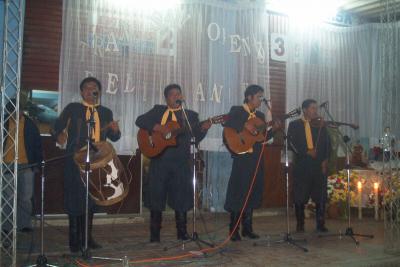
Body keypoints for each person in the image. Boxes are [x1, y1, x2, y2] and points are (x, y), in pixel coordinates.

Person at [135, 83, 212, 242]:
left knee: (181, 197)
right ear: (166, 98)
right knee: (156, 197)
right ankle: (155, 235)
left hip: (181, 163)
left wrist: (203, 129)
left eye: (179, 93)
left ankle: (182, 232)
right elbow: (140, 120)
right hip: (160, 160)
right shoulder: (158, 111)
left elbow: (195, 138)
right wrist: (159, 128)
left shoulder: (190, 115)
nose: (176, 96)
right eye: (172, 94)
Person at [54, 77, 121, 253]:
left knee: (91, 200)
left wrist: (115, 130)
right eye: (87, 87)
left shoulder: (106, 112)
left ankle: (87, 238)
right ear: (82, 92)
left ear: (99, 92)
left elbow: (114, 137)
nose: (91, 90)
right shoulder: (73, 109)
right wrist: (59, 135)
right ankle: (74, 240)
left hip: (97, 163)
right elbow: (56, 127)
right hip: (74, 161)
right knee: (74, 198)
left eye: (95, 87)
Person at [223, 85, 280, 241]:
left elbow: (262, 137)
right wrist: (244, 124)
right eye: (259, 97)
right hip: (242, 159)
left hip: (255, 159)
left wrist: (273, 130)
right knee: (239, 193)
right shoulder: (237, 110)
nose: (261, 100)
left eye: (262, 97)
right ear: (249, 97)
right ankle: (233, 229)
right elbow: (228, 124)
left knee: (252, 192)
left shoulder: (260, 115)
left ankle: (247, 228)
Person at [287, 99, 331, 233]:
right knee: (300, 195)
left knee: (320, 195)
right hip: (302, 164)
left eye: (316, 108)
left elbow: (327, 144)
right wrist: (306, 151)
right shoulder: (294, 125)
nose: (315, 111)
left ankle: (320, 224)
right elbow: (291, 144)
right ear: (305, 110)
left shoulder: (320, 125)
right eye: (312, 108)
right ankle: (300, 224)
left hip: (318, 165)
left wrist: (325, 160)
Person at [2, 99, 43, 234]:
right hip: (7, 164)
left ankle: (24, 224)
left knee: (26, 197)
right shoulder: (3, 123)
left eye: (18, 109)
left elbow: (37, 145)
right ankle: (6, 226)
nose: (15, 112)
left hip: (27, 164)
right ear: (8, 110)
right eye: (12, 109)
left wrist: (37, 163)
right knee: (8, 197)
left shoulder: (30, 124)